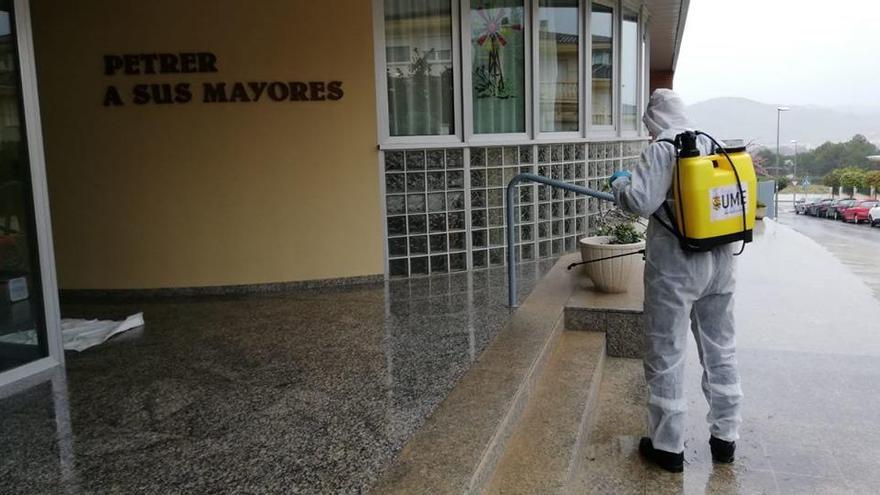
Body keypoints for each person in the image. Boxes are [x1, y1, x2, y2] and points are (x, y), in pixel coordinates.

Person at [609, 89, 742, 473]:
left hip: (677, 268)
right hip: (720, 262)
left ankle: (667, 446)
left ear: (654, 120)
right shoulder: (710, 142)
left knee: (666, 353)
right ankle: (725, 438)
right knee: (721, 349)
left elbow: (640, 202)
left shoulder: (662, 149)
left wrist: (620, 183)